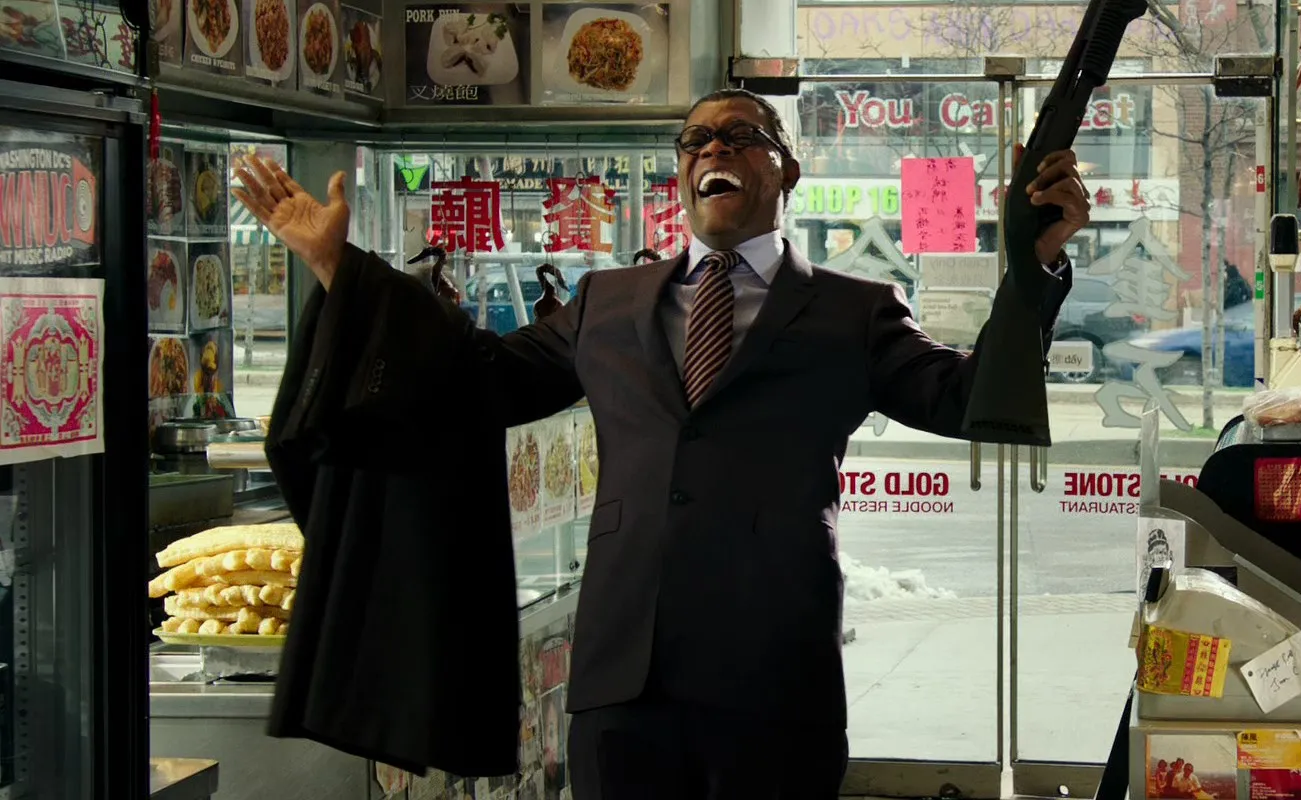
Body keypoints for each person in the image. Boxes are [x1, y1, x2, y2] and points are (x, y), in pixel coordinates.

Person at [230, 88, 1092, 798]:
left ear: (785, 169)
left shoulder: (852, 311)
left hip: (774, 673)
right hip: (623, 678)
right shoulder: (606, 302)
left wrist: (1036, 268)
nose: (713, 147)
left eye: (740, 135)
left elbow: (968, 400)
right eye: (695, 140)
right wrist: (343, 270)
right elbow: (477, 379)